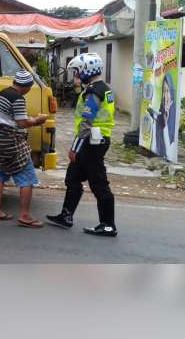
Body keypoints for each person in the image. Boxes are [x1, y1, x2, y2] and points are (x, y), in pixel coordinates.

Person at [46, 52, 118, 237]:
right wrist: (79, 88)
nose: (76, 75)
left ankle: (108, 225)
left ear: (87, 70)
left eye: (77, 71)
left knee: (98, 183)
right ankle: (66, 216)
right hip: (94, 140)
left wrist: (73, 149)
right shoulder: (100, 88)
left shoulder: (94, 92)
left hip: (92, 142)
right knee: (72, 178)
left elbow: (85, 124)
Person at [0, 70, 48, 228]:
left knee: (0, 175)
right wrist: (38, 120)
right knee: (27, 178)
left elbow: (10, 118)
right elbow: (21, 123)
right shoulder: (18, 98)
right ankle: (24, 216)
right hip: (12, 141)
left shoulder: (3, 93)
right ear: (27, 87)